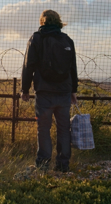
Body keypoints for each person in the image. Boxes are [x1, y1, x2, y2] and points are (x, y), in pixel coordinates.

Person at [21, 10, 78, 173]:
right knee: (64, 128)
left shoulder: (37, 38)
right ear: (58, 21)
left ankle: (43, 164)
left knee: (43, 129)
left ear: (42, 21)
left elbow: (28, 64)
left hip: (44, 91)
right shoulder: (67, 40)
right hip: (64, 92)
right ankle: (63, 164)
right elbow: (73, 67)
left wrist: (24, 89)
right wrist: (73, 90)